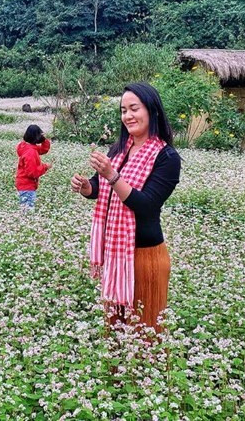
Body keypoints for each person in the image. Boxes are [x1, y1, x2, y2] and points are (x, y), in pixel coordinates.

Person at [71, 82, 181, 334]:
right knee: (116, 332)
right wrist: (86, 186)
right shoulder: (119, 150)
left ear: (152, 111)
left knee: (146, 332)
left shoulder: (167, 157)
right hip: (116, 254)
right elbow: (100, 189)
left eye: (134, 108)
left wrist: (111, 175)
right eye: (123, 110)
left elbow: (146, 205)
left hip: (146, 256)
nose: (128, 116)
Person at [15, 124, 52, 210]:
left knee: (25, 208)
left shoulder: (27, 147)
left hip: (23, 183)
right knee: (27, 211)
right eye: (40, 135)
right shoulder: (31, 153)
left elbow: (43, 150)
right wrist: (45, 166)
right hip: (27, 185)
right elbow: (33, 173)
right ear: (37, 137)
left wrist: (44, 140)